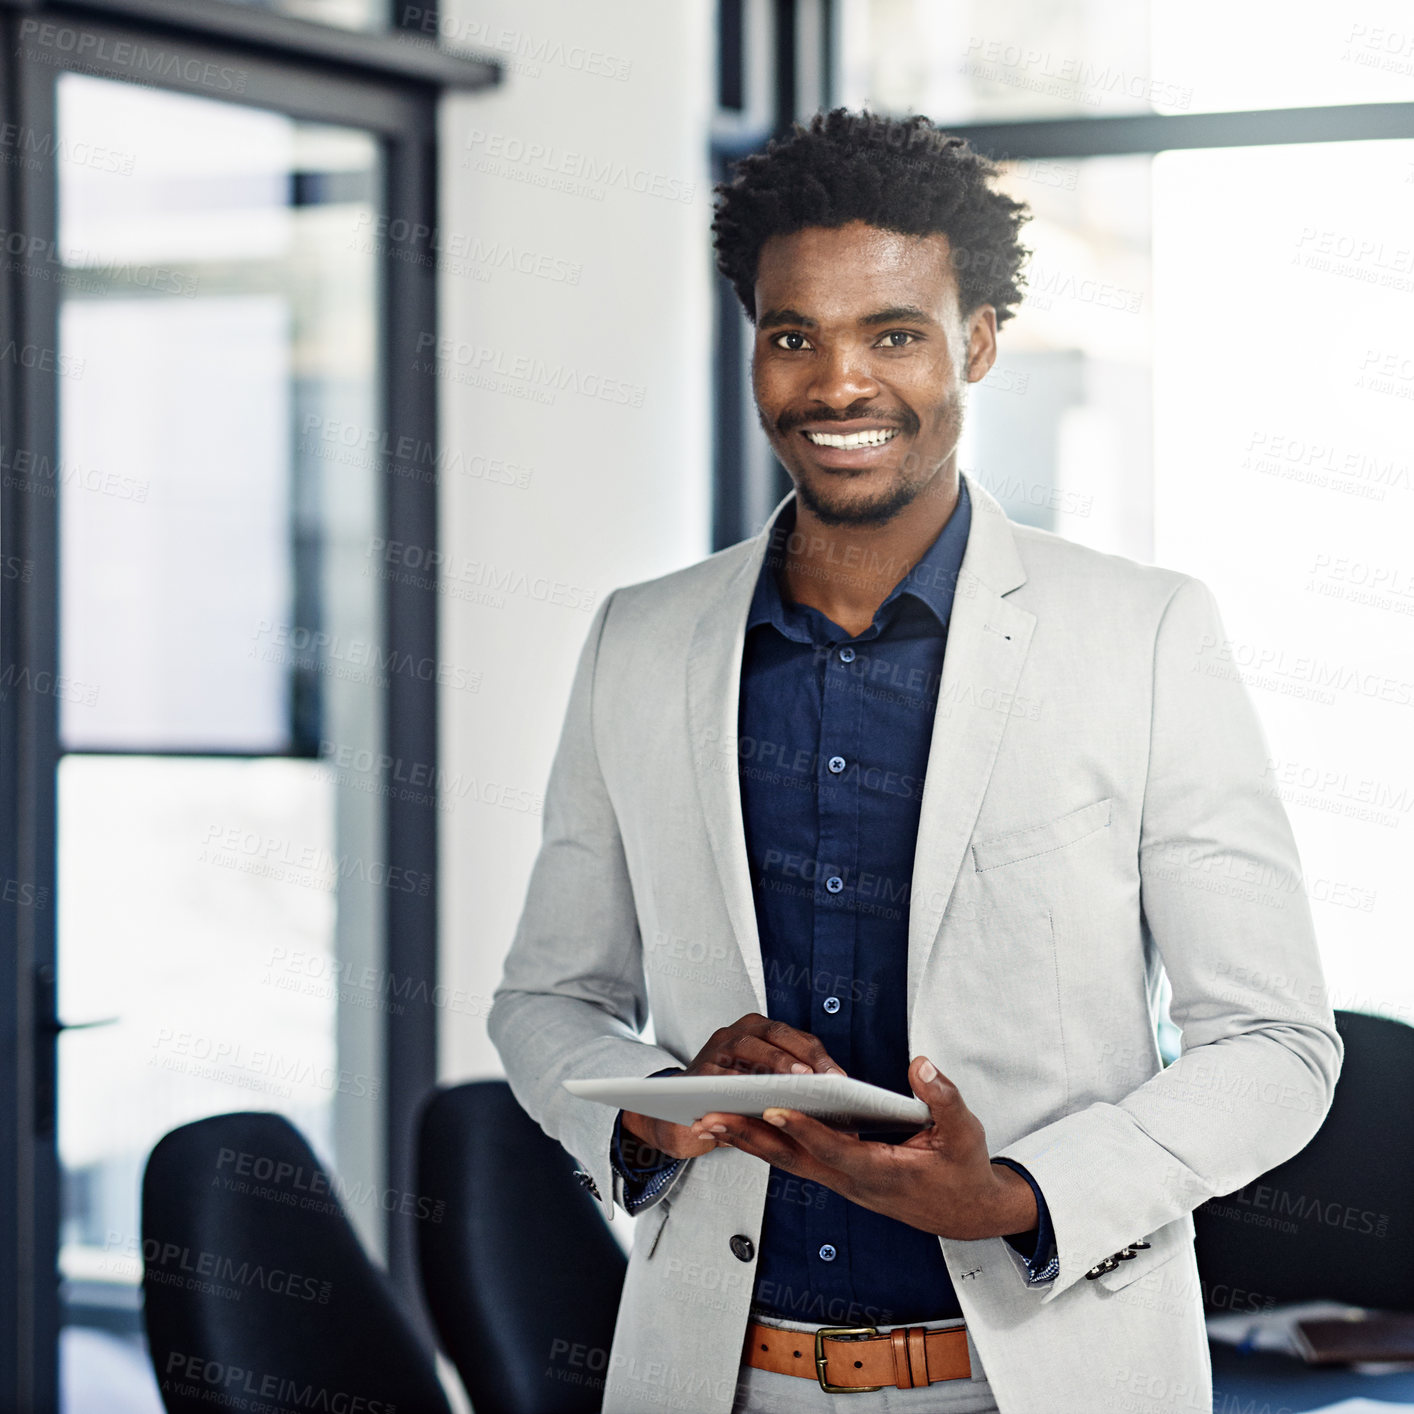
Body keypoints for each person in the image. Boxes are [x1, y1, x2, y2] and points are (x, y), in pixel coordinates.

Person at [488, 109, 1341, 1414]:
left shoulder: (1141, 632)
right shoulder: (642, 640)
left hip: (1040, 1375)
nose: (837, 385)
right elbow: (546, 997)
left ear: (978, 343)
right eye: (793, 336)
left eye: (892, 333)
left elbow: (1273, 1042)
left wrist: (1015, 1194)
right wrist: (653, 1106)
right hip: (720, 1376)